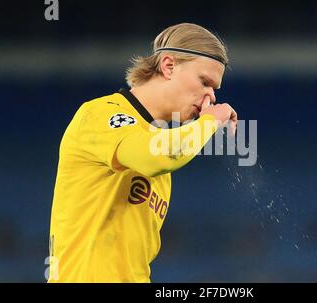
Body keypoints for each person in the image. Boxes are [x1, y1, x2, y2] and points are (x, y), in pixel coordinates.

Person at [48, 23, 238, 282]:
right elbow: (158, 155)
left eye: (215, 90)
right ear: (169, 65)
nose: (211, 98)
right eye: (204, 82)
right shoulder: (101, 114)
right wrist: (209, 121)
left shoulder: (161, 155)